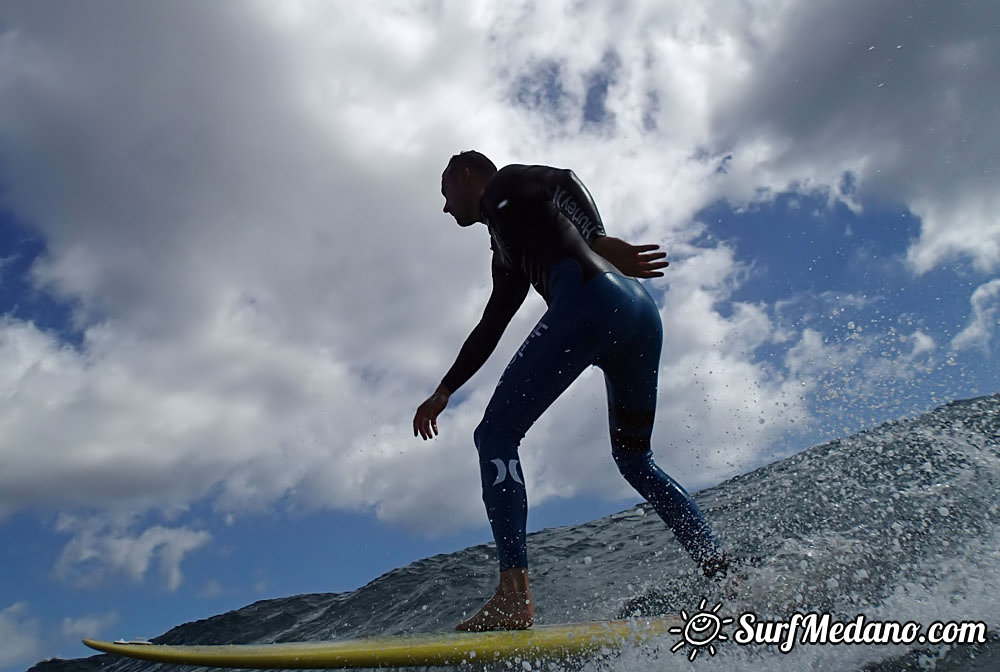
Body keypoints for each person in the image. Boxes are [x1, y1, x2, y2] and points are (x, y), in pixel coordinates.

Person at [413, 151, 731, 632]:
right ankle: (724, 574)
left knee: (495, 435)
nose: (444, 207)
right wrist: (445, 389)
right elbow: (491, 324)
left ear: (465, 174)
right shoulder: (506, 246)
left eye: (444, 193)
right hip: (639, 317)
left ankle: (513, 597)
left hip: (593, 301)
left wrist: (599, 239)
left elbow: (561, 180)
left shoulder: (503, 186)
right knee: (634, 460)